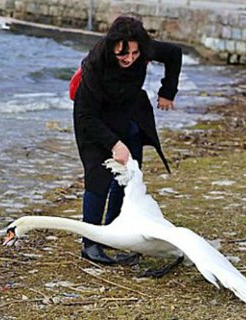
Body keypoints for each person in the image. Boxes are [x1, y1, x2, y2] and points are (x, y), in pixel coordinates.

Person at [72, 15, 182, 264]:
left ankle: (115, 232)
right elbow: (86, 115)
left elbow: (174, 53)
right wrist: (114, 144)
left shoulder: (143, 48)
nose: (130, 58)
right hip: (94, 120)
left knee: (128, 176)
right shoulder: (95, 64)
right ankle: (90, 244)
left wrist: (168, 91)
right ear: (112, 46)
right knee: (98, 178)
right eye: (123, 54)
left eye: (134, 53)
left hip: (129, 113)